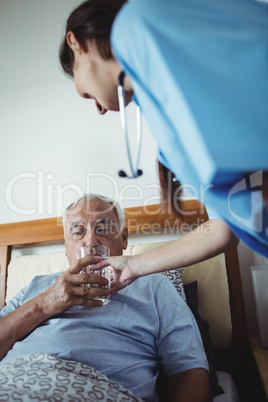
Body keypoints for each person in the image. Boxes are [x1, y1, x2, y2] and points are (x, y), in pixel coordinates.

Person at [58, 0, 268, 292]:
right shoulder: (157, 110)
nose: (98, 108)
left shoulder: (139, 20)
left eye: (82, 90)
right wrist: (131, 266)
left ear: (76, 43)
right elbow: (224, 230)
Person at [0, 194, 212, 402]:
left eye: (102, 229)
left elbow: (189, 373)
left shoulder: (154, 286)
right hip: (12, 380)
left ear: (124, 238)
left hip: (99, 388)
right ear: (66, 246)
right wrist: (45, 303)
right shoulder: (37, 287)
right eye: (78, 231)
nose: (90, 240)